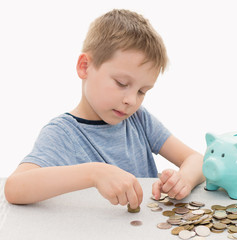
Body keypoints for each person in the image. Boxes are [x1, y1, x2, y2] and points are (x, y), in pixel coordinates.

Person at [4, 9, 205, 209]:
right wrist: (94, 173)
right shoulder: (63, 133)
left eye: (142, 91)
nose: (131, 100)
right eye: (121, 83)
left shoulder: (139, 120)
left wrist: (183, 180)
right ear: (84, 67)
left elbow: (197, 160)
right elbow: (14, 188)